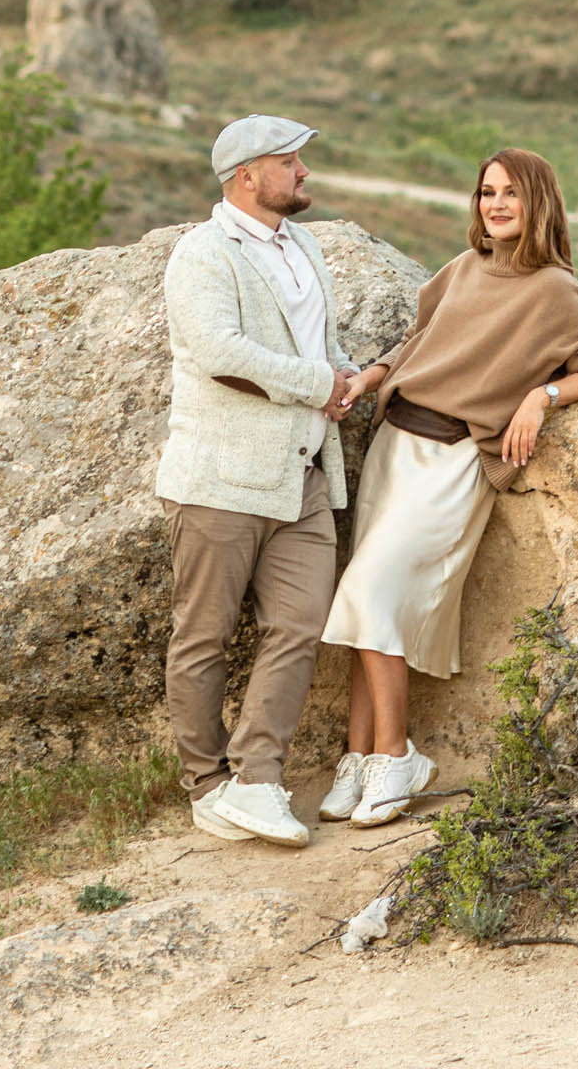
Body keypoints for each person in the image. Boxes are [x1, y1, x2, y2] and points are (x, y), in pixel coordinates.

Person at [318, 147, 578, 830]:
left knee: (371, 592)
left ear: (538, 201)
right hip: (394, 444)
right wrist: (369, 378)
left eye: (511, 193)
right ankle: (360, 756)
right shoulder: (461, 269)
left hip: (455, 459)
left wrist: (541, 397)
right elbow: (420, 342)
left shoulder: (555, 290)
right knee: (370, 608)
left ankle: (398, 756)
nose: (496, 205)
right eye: (487, 192)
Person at [156, 113, 364, 847]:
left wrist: (340, 379)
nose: (304, 173)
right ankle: (206, 785)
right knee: (203, 637)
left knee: (302, 626)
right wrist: (318, 382)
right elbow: (219, 352)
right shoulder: (202, 254)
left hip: (304, 475)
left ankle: (256, 780)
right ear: (248, 176)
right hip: (219, 478)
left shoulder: (303, 243)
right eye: (291, 162)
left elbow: (319, 342)